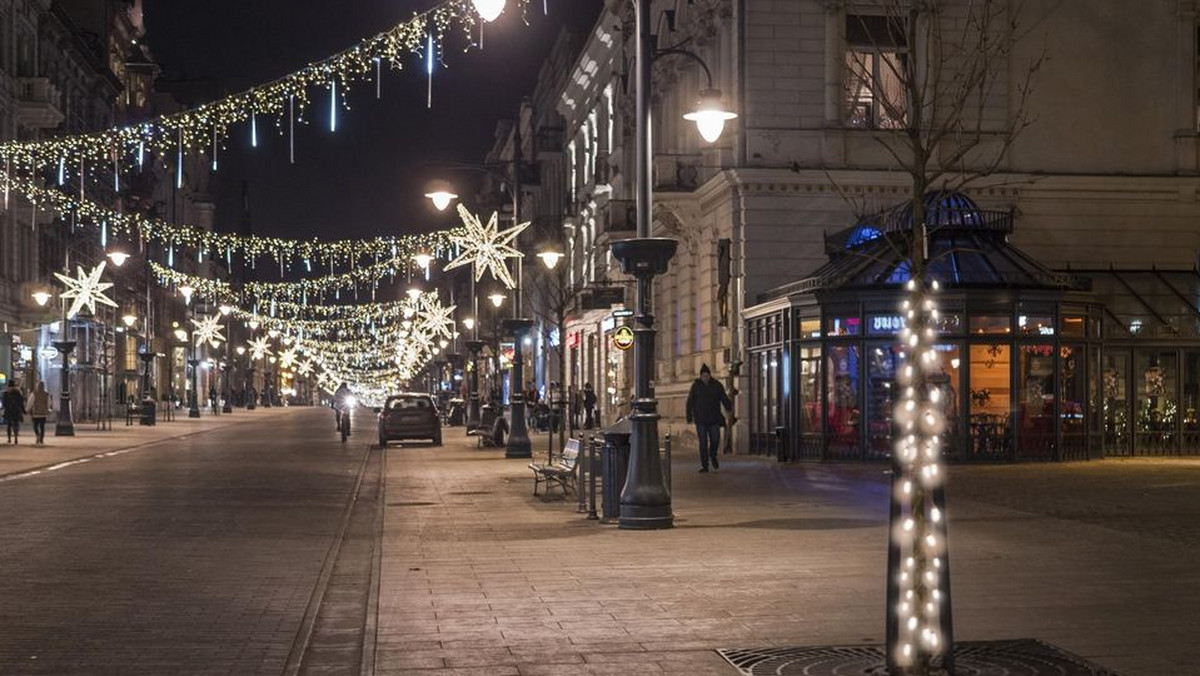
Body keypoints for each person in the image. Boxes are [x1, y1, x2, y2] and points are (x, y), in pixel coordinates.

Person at [686, 364, 732, 473]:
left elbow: (723, 397)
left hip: (714, 418)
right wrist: (689, 416)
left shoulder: (716, 385)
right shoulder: (696, 386)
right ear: (701, 376)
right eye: (703, 376)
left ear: (710, 376)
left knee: (715, 439)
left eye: (707, 376)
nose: (705, 378)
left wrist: (728, 406)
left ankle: (713, 455)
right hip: (701, 419)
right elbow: (690, 401)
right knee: (703, 442)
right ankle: (704, 465)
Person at [3, 380, 26, 445]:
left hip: (8, 411)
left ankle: (9, 438)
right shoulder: (17, 392)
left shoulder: (6, 393)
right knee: (16, 424)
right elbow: (21, 402)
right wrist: (23, 410)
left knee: (9, 425)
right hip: (16, 411)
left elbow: (4, 403)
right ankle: (16, 438)